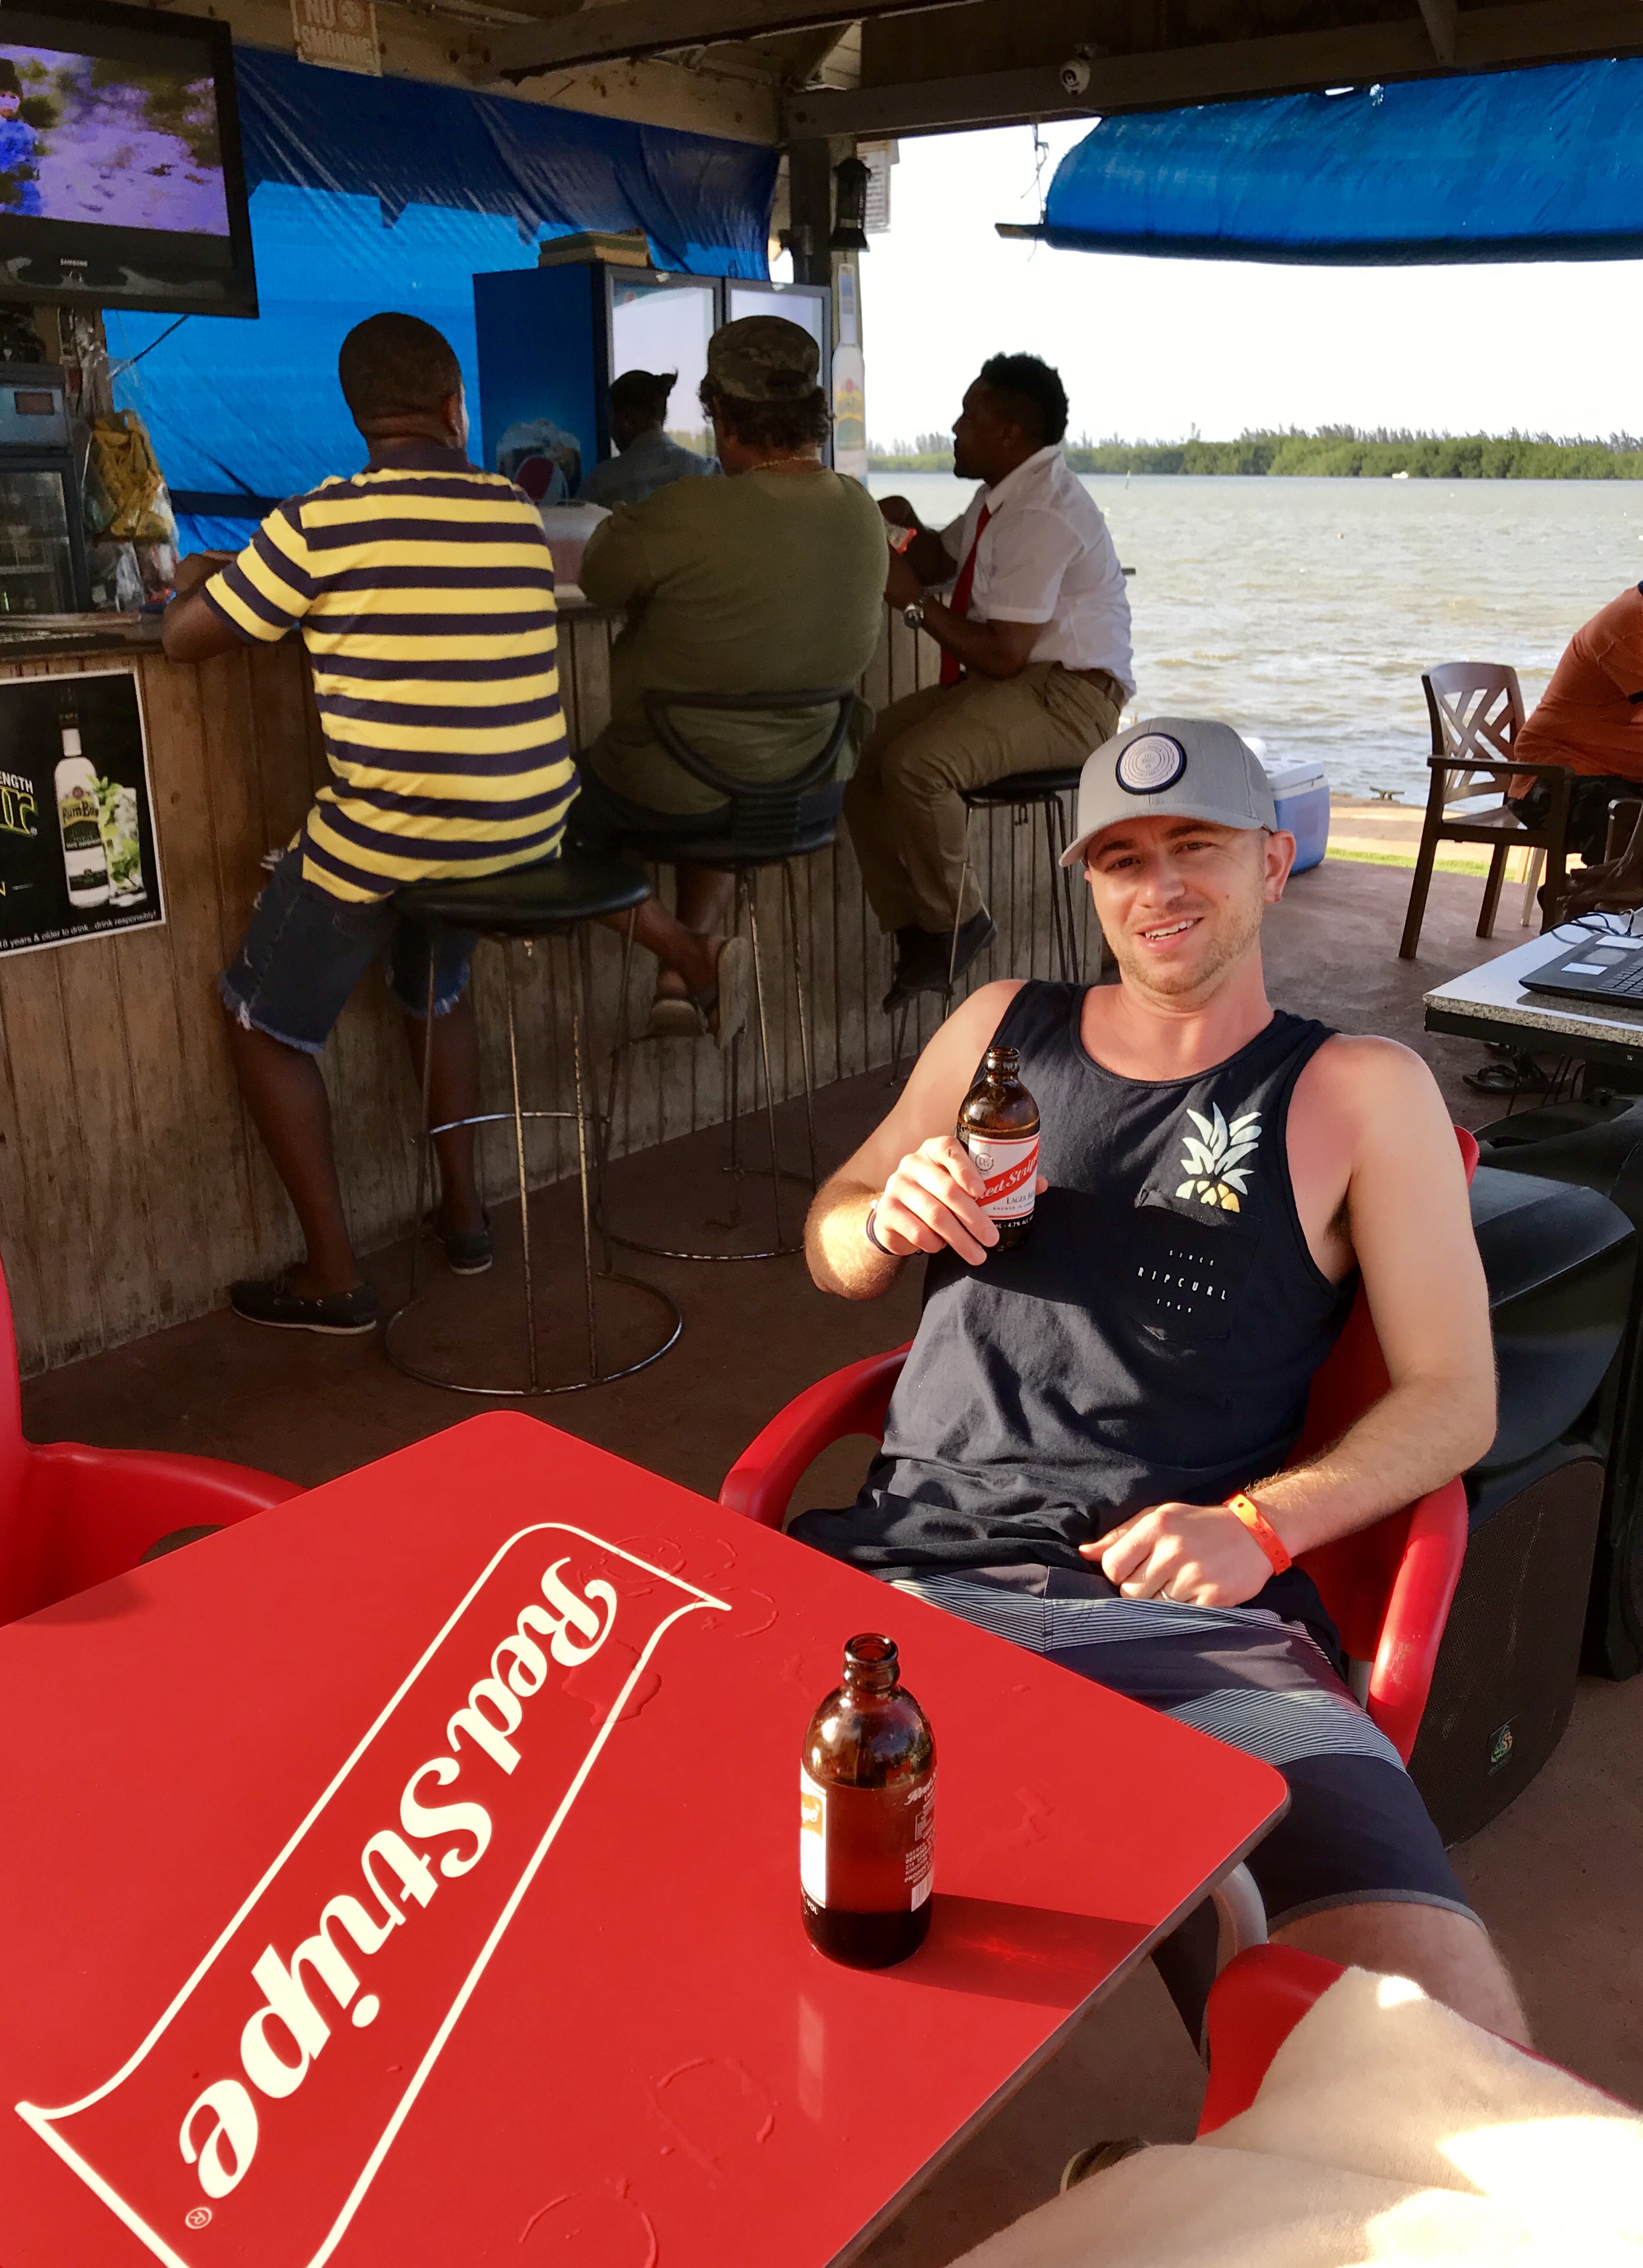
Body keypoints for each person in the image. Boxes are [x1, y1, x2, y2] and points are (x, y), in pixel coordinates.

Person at [798, 715, 1526, 2043]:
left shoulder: (1359, 1088)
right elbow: (833, 1239)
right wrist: (879, 1218)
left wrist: (1260, 1526)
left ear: (1272, 862)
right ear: (1089, 883)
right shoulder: (996, 1028)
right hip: (897, 1581)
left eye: (1195, 846)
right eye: (1121, 858)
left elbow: (1453, 1396)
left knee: (1426, 2048)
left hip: (1183, 1621)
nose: (1159, 886)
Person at [161, 311, 578, 1334]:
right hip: (522, 836)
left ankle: (333, 1274)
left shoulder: (321, 520)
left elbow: (184, 641)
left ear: (357, 417)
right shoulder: (513, 512)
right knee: (437, 988)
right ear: (453, 408)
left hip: (394, 836)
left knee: (260, 1025)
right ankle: (465, 1215)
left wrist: (211, 575)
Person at [574, 315, 887, 1037]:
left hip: (672, 790)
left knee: (529, 818)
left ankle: (689, 952)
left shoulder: (685, 511)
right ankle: (682, 978)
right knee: (722, 756)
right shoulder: (862, 512)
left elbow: (597, 577)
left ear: (719, 410)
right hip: (809, 792)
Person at [845, 353, 1133, 1011]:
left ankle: (959, 922)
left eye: (968, 418)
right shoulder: (1001, 496)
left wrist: (913, 603)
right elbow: (938, 558)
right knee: (861, 755)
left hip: (1070, 699)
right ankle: (920, 930)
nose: (954, 428)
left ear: (1009, 434)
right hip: (1018, 685)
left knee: (917, 765)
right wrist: (894, 526)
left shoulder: (1043, 512)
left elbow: (1003, 653)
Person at [1510, 581, 1643, 916]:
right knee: (1627, 818)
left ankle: (1581, 892)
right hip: (1556, 780)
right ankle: (1585, 901)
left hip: (1615, 772)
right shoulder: (1630, 627)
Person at [578, 369, 720, 508]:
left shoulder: (599, 484)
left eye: (609, 420)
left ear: (625, 419)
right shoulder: (711, 471)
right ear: (663, 416)